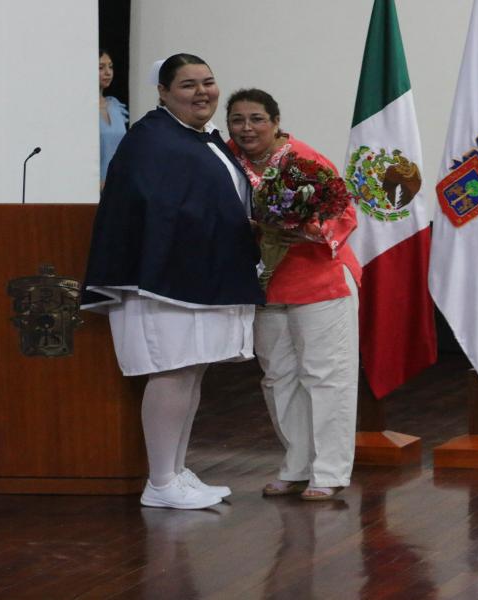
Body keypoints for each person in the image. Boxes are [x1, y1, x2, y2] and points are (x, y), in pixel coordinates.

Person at [82, 55, 264, 510]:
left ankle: (176, 471)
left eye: (208, 81)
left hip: (198, 278)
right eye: (188, 85)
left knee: (192, 371)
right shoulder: (152, 140)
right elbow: (154, 211)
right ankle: (160, 480)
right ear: (163, 92)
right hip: (162, 281)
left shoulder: (197, 139)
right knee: (173, 371)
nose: (202, 92)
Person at [225, 89, 362, 500]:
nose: (247, 128)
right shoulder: (227, 159)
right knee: (278, 377)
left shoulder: (304, 161)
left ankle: (330, 471)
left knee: (326, 376)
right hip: (265, 284)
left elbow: (343, 213)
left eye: (257, 119)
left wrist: (305, 229)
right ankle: (297, 463)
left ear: (276, 120)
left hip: (318, 279)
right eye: (238, 120)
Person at [98, 49, 128, 190]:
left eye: (110, 66)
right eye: (101, 67)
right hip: (92, 188)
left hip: (119, 186)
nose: (108, 72)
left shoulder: (115, 107)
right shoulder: (83, 111)